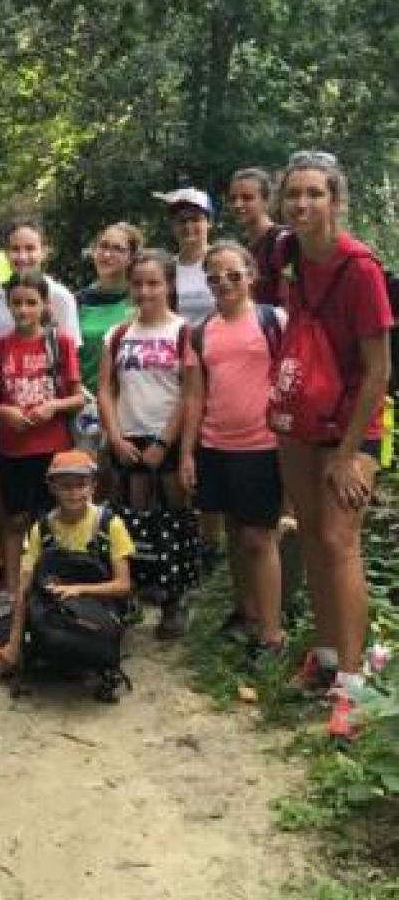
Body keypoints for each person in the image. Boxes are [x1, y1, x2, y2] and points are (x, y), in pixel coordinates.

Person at [272, 151, 392, 734]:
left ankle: (355, 682)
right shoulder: (288, 255)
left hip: (353, 427)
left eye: (315, 194)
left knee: (341, 541)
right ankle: (324, 656)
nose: (303, 204)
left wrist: (349, 452)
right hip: (300, 418)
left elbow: (378, 370)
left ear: (335, 200)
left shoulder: (361, 268)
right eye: (294, 194)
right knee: (314, 538)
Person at [179, 242, 286, 664]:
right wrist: (188, 453)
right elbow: (194, 396)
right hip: (214, 444)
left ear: (251, 275)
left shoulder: (273, 320)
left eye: (233, 275)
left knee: (259, 537)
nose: (224, 283)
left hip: (262, 446)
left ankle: (273, 636)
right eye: (214, 278)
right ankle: (247, 613)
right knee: (234, 535)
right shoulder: (203, 331)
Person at [97, 248, 197, 639]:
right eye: (138, 283)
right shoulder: (119, 333)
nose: (145, 291)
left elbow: (189, 394)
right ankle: (133, 592)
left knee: (174, 517)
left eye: (153, 283)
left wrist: (165, 440)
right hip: (128, 436)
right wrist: (116, 435)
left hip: (166, 437)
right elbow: (105, 388)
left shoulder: (183, 331)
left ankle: (175, 598)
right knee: (133, 520)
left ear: (169, 284)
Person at [0, 270, 84, 605]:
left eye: (31, 303)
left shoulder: (59, 342)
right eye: (16, 303)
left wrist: (52, 406)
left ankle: (54, 582)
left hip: (54, 448)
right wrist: (4, 412)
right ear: (7, 306)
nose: (23, 310)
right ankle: (11, 586)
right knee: (14, 520)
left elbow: (78, 398)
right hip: (12, 449)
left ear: (45, 305)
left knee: (54, 518)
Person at [0, 451, 134, 677]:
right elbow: (24, 588)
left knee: (70, 648)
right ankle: (35, 651)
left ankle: (46, 655)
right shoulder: (42, 528)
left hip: (95, 605)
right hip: (46, 604)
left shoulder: (109, 525)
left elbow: (123, 585)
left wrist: (78, 590)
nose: (74, 493)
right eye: (65, 486)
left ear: (93, 486)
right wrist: (13, 642)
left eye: (81, 485)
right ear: (52, 487)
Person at [0, 220, 81, 343]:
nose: (22, 257)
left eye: (30, 249)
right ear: (6, 253)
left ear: (44, 252)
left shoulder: (61, 297)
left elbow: (71, 352)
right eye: (15, 249)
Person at [76, 222, 142, 397]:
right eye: (103, 246)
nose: (107, 254)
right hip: (87, 407)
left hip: (132, 404)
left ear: (131, 257)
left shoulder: (141, 301)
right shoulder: (77, 302)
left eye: (117, 249)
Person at [154, 186, 216, 327]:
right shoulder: (166, 268)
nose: (188, 226)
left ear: (209, 223)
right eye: (181, 221)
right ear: (172, 225)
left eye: (195, 219)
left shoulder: (224, 262)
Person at [227, 168, 285, 307]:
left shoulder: (282, 240)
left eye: (247, 198)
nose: (238, 204)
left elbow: (290, 293)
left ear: (266, 201)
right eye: (233, 198)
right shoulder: (240, 248)